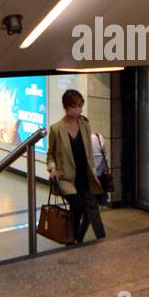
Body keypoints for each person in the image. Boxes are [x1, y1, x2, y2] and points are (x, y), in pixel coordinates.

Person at [45, 89, 106, 244]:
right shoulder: (56, 129)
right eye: (75, 106)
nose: (79, 109)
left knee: (91, 208)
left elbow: (89, 154)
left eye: (80, 106)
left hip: (85, 177)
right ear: (67, 106)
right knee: (78, 206)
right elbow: (50, 154)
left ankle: (79, 238)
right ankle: (71, 238)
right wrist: (52, 169)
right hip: (66, 178)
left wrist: (94, 174)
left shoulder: (85, 125)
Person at [90, 129, 111, 206]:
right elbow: (105, 155)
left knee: (90, 203)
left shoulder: (85, 140)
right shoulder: (98, 136)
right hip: (100, 174)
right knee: (98, 200)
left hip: (90, 176)